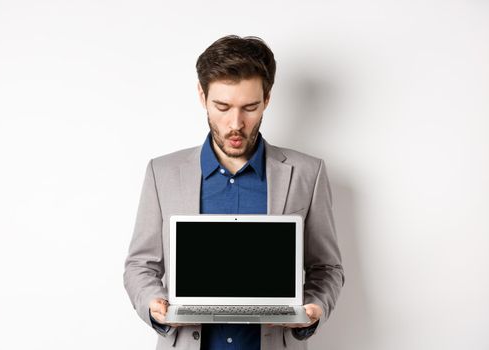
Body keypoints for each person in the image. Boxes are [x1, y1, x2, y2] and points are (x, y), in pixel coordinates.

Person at [124, 35, 344, 350]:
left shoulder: (308, 173)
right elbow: (140, 264)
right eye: (222, 107)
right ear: (202, 95)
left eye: (250, 107)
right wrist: (153, 305)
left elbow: (326, 267)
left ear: (267, 99)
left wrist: (314, 308)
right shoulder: (163, 173)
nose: (235, 123)